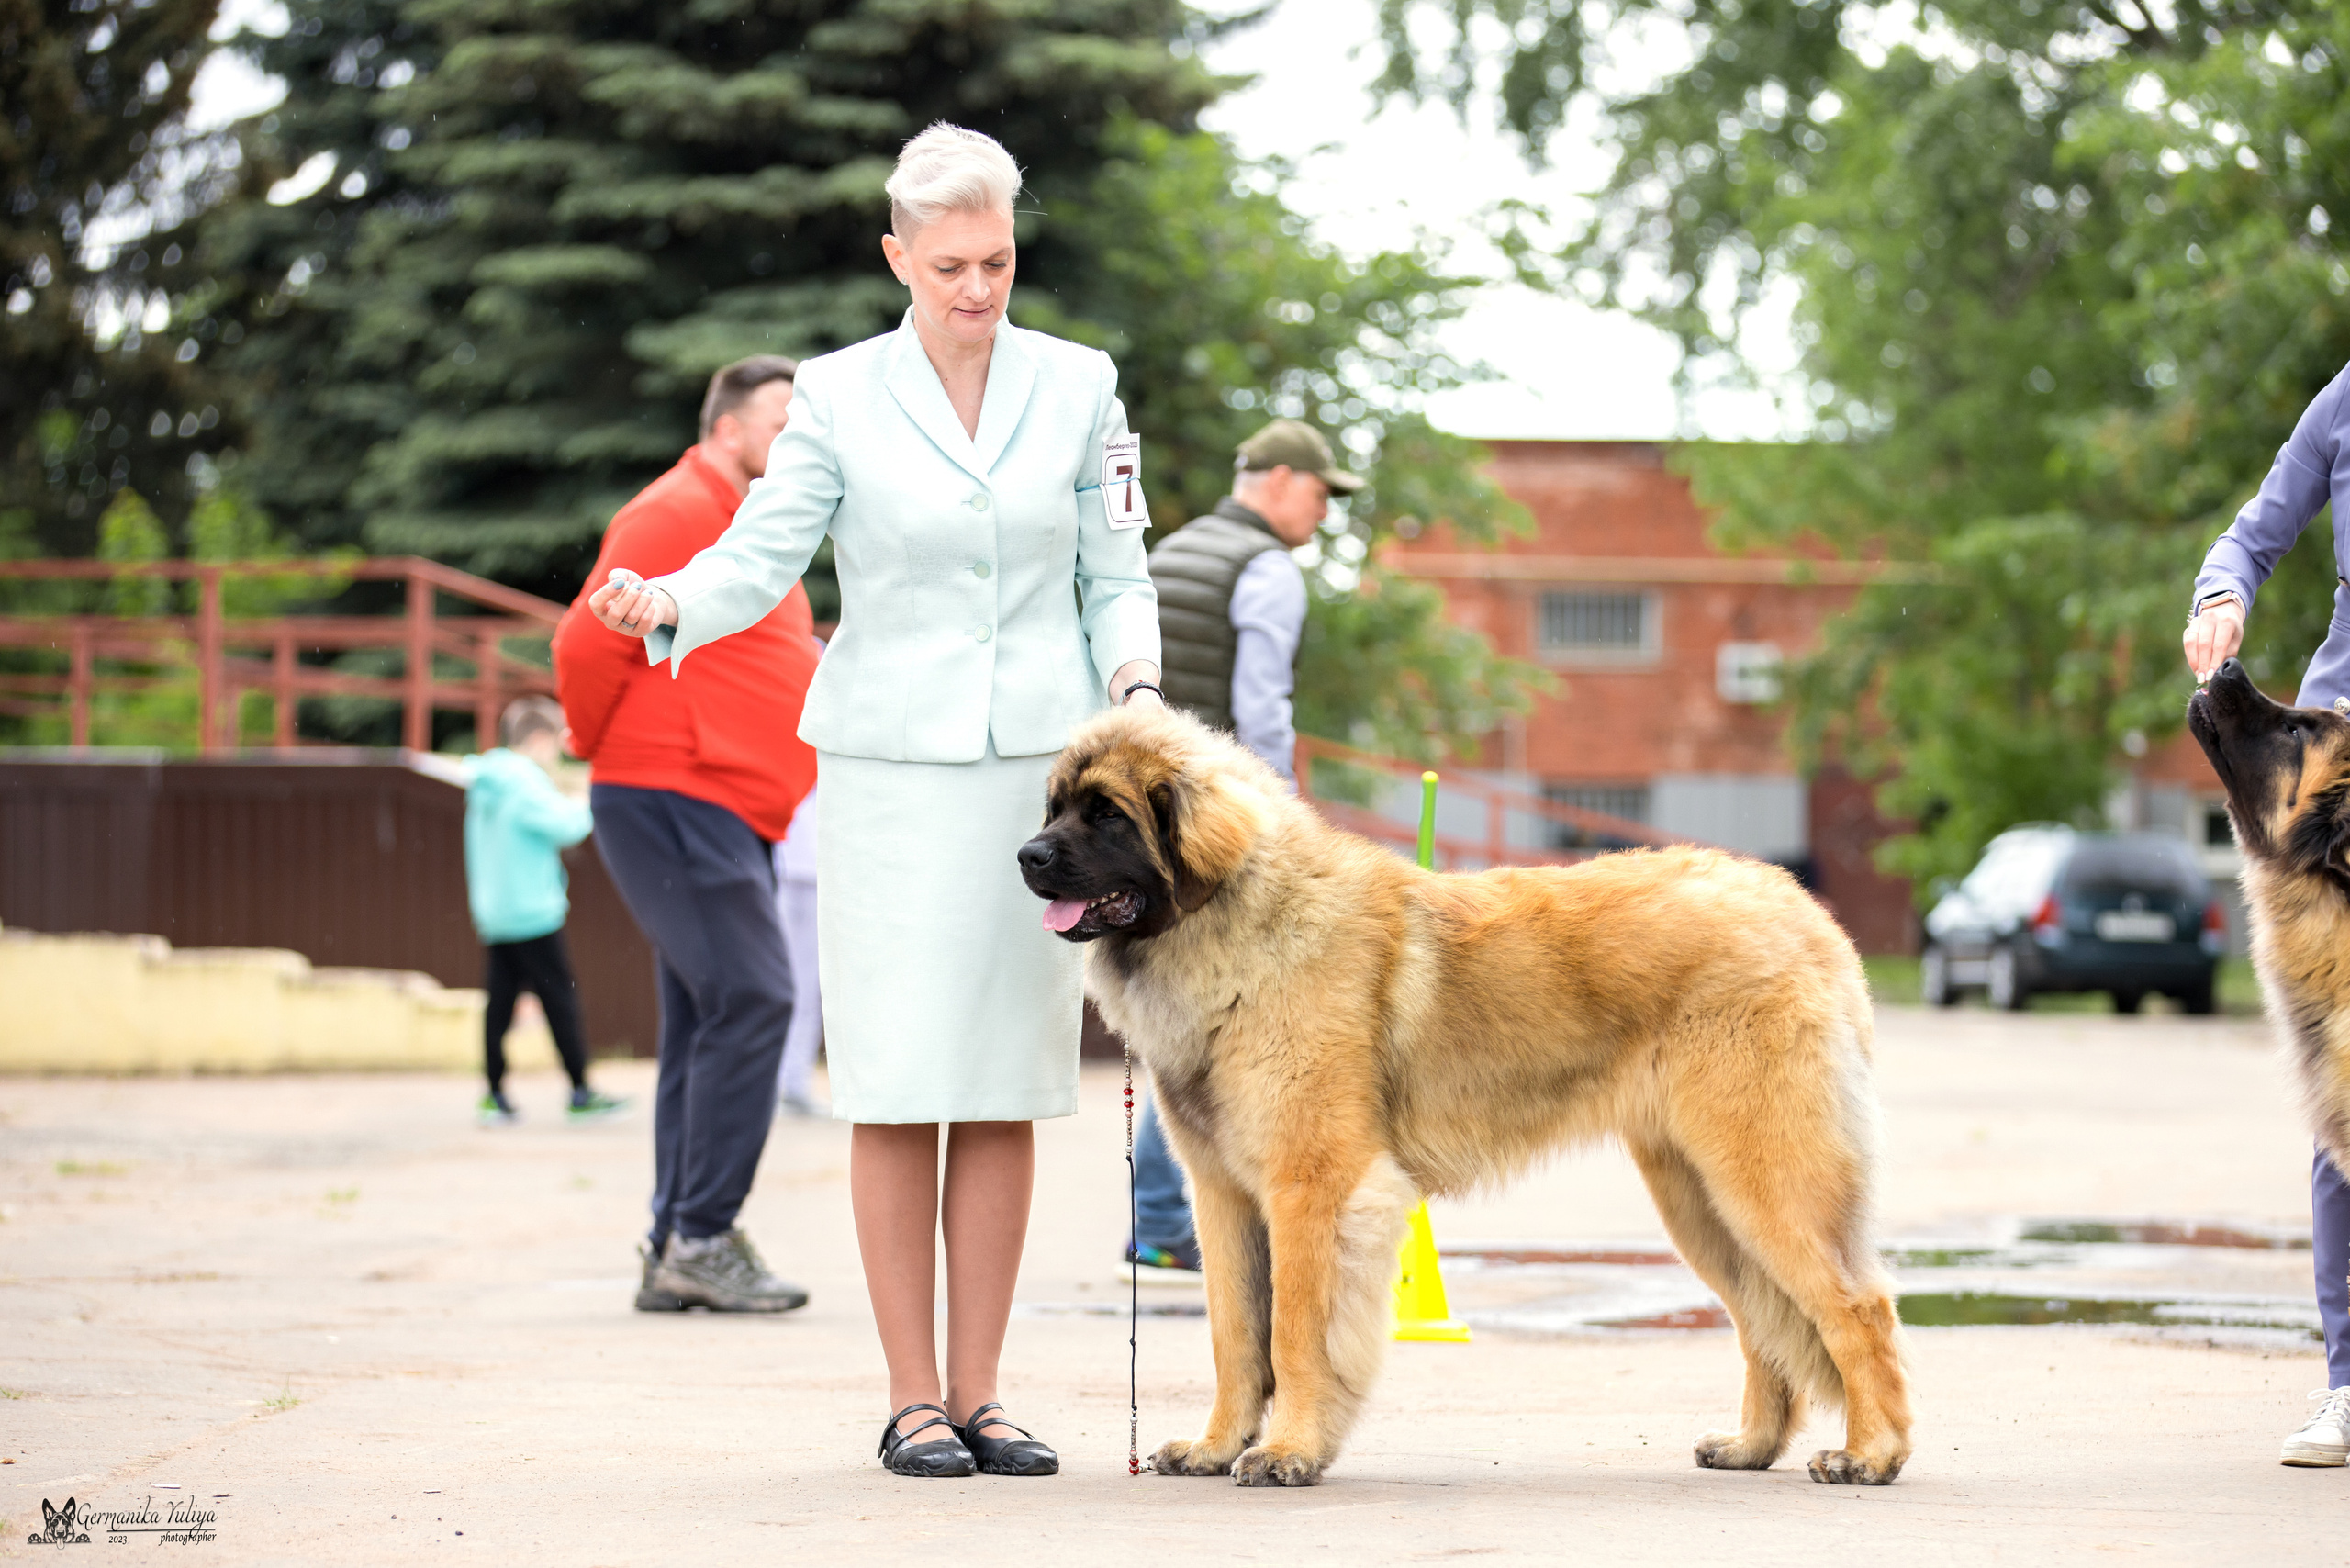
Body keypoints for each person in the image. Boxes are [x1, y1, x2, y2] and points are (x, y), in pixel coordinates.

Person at [588, 121, 1163, 1480]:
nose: (978, 290)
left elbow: (1114, 570)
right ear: (898, 255)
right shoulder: (839, 396)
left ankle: (985, 1393)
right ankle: (911, 1401)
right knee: (903, 1081)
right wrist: (665, 602)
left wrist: (1134, 686)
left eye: (999, 261)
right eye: (951, 265)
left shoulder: (1081, 385)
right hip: (892, 777)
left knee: (1010, 1086)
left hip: (1040, 784)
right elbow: (760, 554)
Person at [552, 354, 822, 1316]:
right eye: (783, 421)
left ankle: (676, 1240)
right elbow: (586, 640)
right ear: (728, 429)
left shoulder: (754, 523)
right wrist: (594, 744)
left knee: (711, 1018)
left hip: (728, 802)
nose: (799, 440)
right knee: (755, 997)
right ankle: (702, 1236)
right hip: (674, 790)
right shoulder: (680, 505)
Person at [1119, 419, 1364, 1282]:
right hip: (1217, 830)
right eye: (1322, 494)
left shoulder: (1180, 548)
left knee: (1176, 1012)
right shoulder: (1264, 568)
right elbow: (1262, 706)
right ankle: (1163, 1221)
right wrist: (1286, 820)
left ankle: (1155, 1222)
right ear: (1281, 479)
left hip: (1148, 814)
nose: (1323, 514)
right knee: (1228, 1019)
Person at [2183, 358, 2350, 1467]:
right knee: (2338, 1077)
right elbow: (2252, 532)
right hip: (2335, 770)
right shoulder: (2344, 397)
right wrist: (2221, 595)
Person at [463, 695, 625, 1126]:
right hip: (534, 913)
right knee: (560, 1000)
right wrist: (589, 798)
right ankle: (580, 1091)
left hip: (495, 912)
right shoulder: (524, 783)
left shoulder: (487, 780)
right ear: (539, 739)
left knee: (499, 1005)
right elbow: (569, 826)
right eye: (555, 743)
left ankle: (494, 1094)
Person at [772, 768, 824, 1118]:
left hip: (820, 874)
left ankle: (793, 1084)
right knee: (770, 985)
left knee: (809, 988)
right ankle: (769, 1085)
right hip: (778, 872)